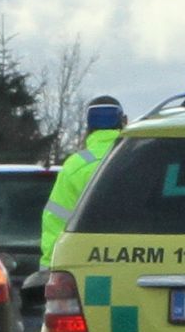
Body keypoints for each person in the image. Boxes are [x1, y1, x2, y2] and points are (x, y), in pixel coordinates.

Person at [39, 95, 124, 264]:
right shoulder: (138, 159)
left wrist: (52, 266)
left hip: (84, 263)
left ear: (88, 127)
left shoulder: (75, 165)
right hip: (133, 260)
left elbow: (56, 220)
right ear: (124, 121)